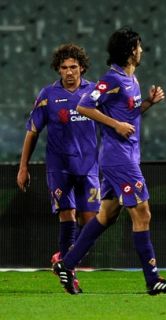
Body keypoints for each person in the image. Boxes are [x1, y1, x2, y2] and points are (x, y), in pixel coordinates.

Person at [52, 27, 166, 295]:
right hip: (119, 158)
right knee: (142, 212)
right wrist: (116, 124)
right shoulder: (111, 79)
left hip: (126, 155)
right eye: (139, 46)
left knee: (107, 216)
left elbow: (129, 114)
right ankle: (152, 278)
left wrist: (147, 103)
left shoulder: (131, 79)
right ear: (131, 51)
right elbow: (84, 106)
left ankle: (67, 263)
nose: (142, 50)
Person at [17, 44, 99, 284]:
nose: (69, 72)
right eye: (64, 68)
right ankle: (68, 271)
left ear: (82, 67)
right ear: (58, 70)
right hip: (59, 166)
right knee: (67, 214)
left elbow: (114, 120)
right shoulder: (47, 96)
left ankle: (64, 258)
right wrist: (24, 167)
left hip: (88, 166)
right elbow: (32, 132)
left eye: (73, 67)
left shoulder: (94, 93)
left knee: (92, 222)